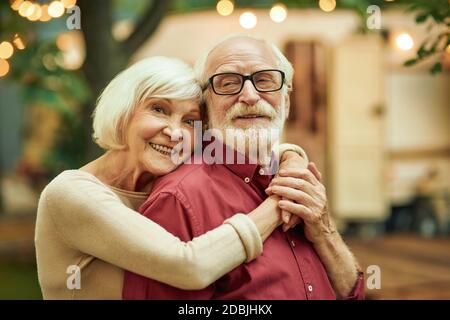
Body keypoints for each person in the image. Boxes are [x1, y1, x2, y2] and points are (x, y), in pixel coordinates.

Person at [35, 56, 308, 299]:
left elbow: (244, 154)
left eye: (189, 121)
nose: (175, 132)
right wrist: (279, 203)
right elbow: (191, 266)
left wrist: (291, 156)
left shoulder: (167, 175)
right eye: (159, 109)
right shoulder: (71, 193)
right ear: (123, 112)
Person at [122, 36, 364, 300]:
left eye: (264, 81)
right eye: (228, 83)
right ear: (204, 107)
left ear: (286, 101)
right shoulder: (179, 200)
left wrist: (325, 231)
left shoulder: (300, 180)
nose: (249, 96)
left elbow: (353, 292)